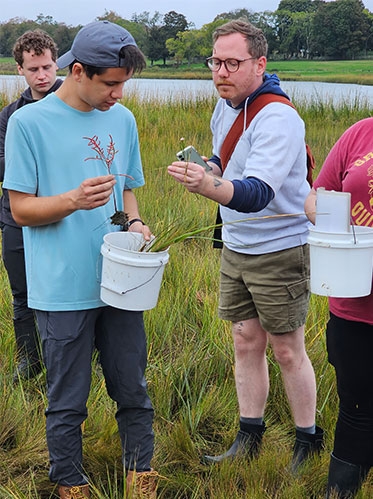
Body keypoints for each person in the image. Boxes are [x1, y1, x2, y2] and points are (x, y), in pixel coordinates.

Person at [3, 20, 158, 499]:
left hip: (121, 280)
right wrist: (71, 200)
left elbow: (128, 189)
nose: (117, 94)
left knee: (132, 387)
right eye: (110, 83)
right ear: (77, 71)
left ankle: (141, 475)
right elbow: (21, 209)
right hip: (61, 284)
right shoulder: (28, 123)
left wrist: (134, 223)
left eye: (123, 84)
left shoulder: (123, 119)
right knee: (68, 400)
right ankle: (69, 481)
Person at [168, 19, 323, 472]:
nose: (221, 72)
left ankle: (306, 440)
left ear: (259, 63)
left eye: (232, 63)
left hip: (278, 247)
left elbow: (256, 193)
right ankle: (248, 437)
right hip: (237, 244)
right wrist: (204, 166)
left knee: (288, 348)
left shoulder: (279, 117)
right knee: (244, 340)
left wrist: (206, 186)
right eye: (215, 62)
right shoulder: (227, 105)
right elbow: (226, 159)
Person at [305, 120, 373, 498]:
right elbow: (315, 197)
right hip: (354, 305)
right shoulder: (361, 132)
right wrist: (330, 224)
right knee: (356, 407)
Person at [0, 29, 63, 380]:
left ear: (57, 64)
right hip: (16, 217)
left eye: (48, 67)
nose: (42, 76)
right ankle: (29, 362)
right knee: (21, 293)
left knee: (65, 291)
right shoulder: (10, 116)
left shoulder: (73, 106)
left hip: (64, 214)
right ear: (19, 70)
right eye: (33, 69)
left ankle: (70, 358)